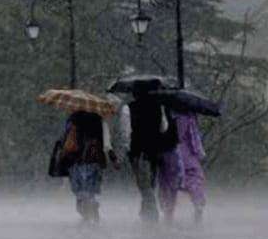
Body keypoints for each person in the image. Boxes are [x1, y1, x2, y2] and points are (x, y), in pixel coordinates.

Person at [119, 83, 169, 222]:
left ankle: (151, 214)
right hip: (155, 150)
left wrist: (126, 149)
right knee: (151, 182)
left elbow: (125, 132)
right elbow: (164, 128)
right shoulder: (159, 107)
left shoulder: (128, 108)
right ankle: (146, 212)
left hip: (138, 150)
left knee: (144, 184)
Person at [60, 110, 118, 224]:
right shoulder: (99, 120)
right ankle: (92, 210)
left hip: (76, 161)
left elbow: (66, 142)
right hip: (94, 160)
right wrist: (114, 159)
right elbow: (107, 144)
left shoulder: (72, 119)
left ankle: (86, 216)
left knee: (80, 192)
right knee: (90, 191)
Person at [170, 111, 207, 223]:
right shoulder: (188, 117)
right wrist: (200, 153)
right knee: (195, 180)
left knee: (171, 182)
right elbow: (194, 138)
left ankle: (169, 211)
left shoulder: (167, 114)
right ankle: (198, 205)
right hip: (187, 155)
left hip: (171, 153)